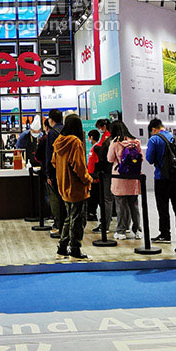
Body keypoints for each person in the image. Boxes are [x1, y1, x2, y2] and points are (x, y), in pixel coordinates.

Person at [52, 114, 94, 260]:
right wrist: (88, 179)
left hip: (64, 185)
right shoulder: (75, 142)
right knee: (78, 220)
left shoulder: (59, 141)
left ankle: (62, 248)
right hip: (76, 187)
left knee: (69, 218)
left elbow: (54, 162)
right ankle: (75, 250)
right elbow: (79, 167)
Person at [144, 117, 176, 244]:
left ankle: (165, 234)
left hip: (161, 177)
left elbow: (150, 159)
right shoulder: (174, 137)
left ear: (154, 129)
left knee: (163, 207)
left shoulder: (154, 139)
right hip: (175, 176)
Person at [106, 120, 143, 240]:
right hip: (133, 178)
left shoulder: (115, 142)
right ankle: (137, 230)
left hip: (119, 177)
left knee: (120, 205)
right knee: (134, 205)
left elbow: (110, 159)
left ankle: (121, 231)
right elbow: (141, 158)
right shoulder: (136, 142)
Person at [35, 109, 66, 237]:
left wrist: (48, 174)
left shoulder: (52, 133)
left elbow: (49, 155)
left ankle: (58, 225)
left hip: (55, 170)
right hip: (67, 170)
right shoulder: (66, 130)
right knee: (65, 199)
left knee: (55, 199)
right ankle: (66, 225)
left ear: (51, 120)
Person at [90, 119, 114, 234]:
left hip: (106, 171)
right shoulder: (107, 136)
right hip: (109, 171)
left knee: (107, 199)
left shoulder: (108, 137)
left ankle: (105, 225)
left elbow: (103, 153)